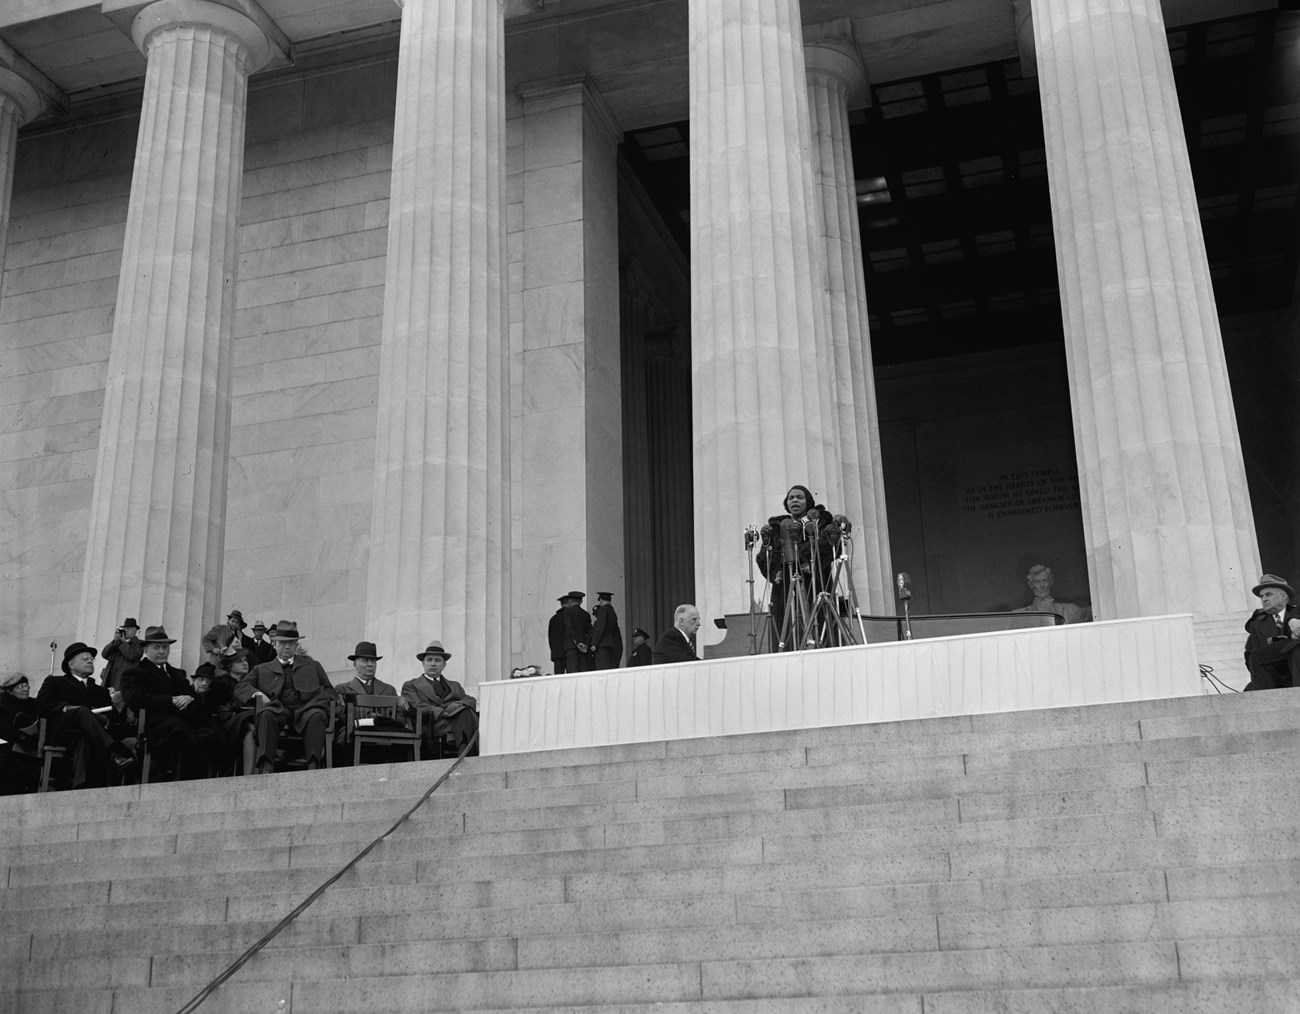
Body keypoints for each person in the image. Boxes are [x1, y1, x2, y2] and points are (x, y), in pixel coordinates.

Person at [234, 620, 336, 773]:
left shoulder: (313, 666)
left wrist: (319, 701)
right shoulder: (261, 669)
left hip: (307, 709)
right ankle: (266, 767)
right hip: (278, 709)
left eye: (291, 643)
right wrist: (258, 693)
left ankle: (313, 767)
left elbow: (330, 691)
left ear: (297, 645)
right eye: (282, 643)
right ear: (274, 644)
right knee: (266, 714)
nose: (287, 647)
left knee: (317, 714)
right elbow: (241, 687)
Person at [121, 626, 216, 779]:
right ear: (146, 650)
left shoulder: (177, 674)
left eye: (165, 647)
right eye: (156, 647)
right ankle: (181, 781)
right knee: (178, 729)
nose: (162, 651)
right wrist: (170, 701)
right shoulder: (136, 672)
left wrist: (190, 698)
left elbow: (194, 695)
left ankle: (200, 780)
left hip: (183, 720)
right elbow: (134, 698)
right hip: (155, 724)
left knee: (209, 733)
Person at [37, 641, 137, 786]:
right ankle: (114, 753)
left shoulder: (100, 691)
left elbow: (112, 717)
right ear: (71, 665)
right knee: (83, 711)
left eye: (91, 659)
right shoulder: (54, 682)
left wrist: (105, 719)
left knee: (83, 739)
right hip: (63, 732)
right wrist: (68, 708)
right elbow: (42, 705)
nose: (90, 661)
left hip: (89, 735)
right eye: (85, 659)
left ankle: (80, 786)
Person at [757, 485, 843, 644]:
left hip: (815, 586)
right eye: (791, 498)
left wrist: (797, 557)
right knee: (786, 633)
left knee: (818, 632)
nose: (794, 500)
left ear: (808, 501)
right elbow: (765, 562)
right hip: (784, 590)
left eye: (799, 497)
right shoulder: (777, 527)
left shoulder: (820, 521)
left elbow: (829, 548)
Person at [334, 641, 410, 762]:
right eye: (365, 660)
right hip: (355, 733)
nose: (370, 664)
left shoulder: (389, 689)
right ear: (355, 664)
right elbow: (341, 715)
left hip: (386, 734)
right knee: (343, 735)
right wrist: (369, 717)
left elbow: (401, 717)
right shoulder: (342, 689)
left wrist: (384, 720)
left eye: (373, 661)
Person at [401, 641, 478, 755]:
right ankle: (468, 754)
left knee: (465, 713)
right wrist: (443, 712)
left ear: (444, 665)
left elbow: (470, 700)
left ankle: (464, 752)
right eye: (429, 660)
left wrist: (457, 705)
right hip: (430, 725)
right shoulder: (411, 685)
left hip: (455, 721)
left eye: (437, 660)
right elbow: (417, 706)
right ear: (423, 663)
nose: (433, 664)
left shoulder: (454, 685)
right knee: (469, 718)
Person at [1243, 574, 1300, 691]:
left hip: (1297, 677)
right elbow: (1254, 659)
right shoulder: (1257, 625)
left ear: (1283, 597)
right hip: (1273, 681)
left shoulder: (1297, 614)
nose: (1264, 599)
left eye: (1268, 594)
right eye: (1262, 596)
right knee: (1252, 655)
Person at [0, 673, 43, 793]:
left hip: (32, 747)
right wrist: (20, 735)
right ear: (10, 690)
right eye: (20, 686)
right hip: (9, 749)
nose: (25, 689)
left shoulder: (34, 704)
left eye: (27, 686)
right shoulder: (3, 707)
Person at [1011, 564, 1091, 623]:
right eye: (1037, 582)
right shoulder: (1017, 616)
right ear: (1031, 584)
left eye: (1045, 580)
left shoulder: (1070, 610)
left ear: (1051, 581)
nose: (1042, 586)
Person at [100, 618, 143, 690]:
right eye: (125, 629)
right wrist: (114, 641)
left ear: (135, 631)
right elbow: (104, 654)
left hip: (124, 680)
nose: (126, 631)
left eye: (129, 629)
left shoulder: (139, 643)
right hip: (111, 679)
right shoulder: (117, 643)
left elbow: (132, 656)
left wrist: (123, 643)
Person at [562, 591, 594, 674]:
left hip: (572, 646)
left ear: (570, 601)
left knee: (572, 673)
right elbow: (590, 631)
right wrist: (585, 644)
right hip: (583, 648)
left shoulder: (567, 612)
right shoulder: (586, 614)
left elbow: (570, 629)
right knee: (583, 672)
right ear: (581, 601)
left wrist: (577, 643)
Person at [590, 591, 623, 670]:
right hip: (611, 644)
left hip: (602, 644)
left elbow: (600, 627)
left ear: (600, 600)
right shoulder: (612, 612)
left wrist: (594, 643)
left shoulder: (603, 610)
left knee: (602, 669)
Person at [548, 594, 570, 674]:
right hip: (568, 652)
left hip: (556, 653)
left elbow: (550, 638)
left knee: (558, 677)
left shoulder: (553, 619)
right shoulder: (569, 616)